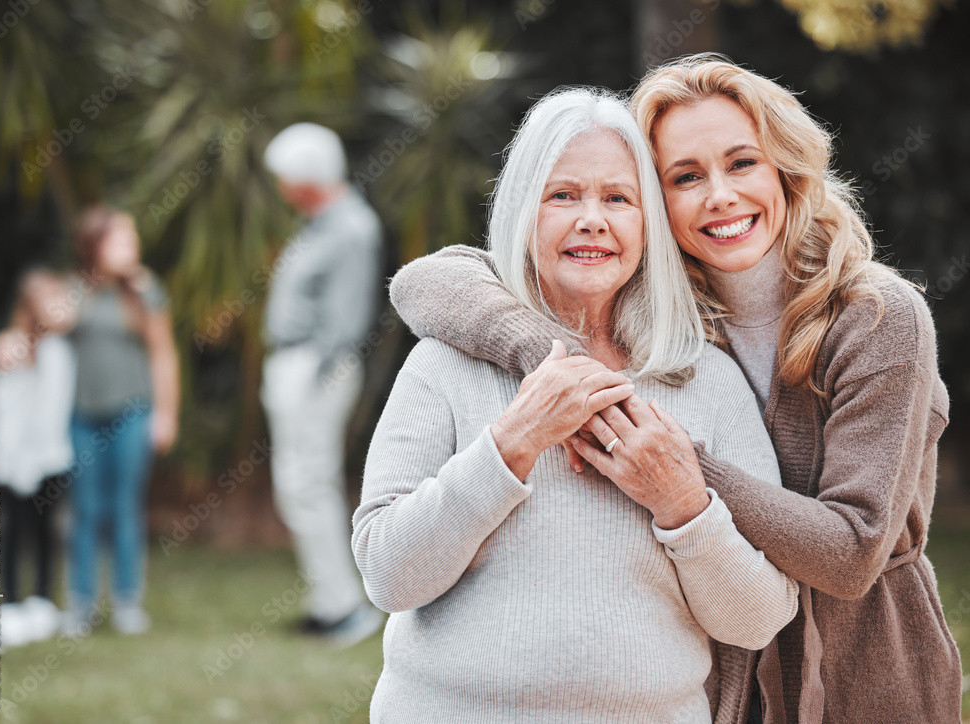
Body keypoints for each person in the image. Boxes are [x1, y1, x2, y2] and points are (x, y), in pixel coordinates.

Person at [387, 56, 963, 723]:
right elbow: (426, 281)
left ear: (786, 167)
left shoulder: (876, 317)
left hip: (862, 668)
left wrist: (675, 464)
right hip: (726, 675)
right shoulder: (668, 317)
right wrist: (560, 366)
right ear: (653, 200)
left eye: (742, 163)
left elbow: (852, 550)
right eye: (685, 177)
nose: (719, 195)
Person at [354, 87, 799, 723]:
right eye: (564, 195)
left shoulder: (708, 379)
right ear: (522, 212)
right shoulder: (444, 362)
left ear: (648, 225)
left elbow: (758, 621)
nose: (593, 219)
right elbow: (388, 576)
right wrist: (512, 444)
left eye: (618, 198)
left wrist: (681, 503)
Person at [261, 123, 384, 645]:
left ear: (305, 178)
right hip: (296, 364)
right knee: (301, 486)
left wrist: (311, 377)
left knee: (309, 483)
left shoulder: (351, 227)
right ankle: (326, 601)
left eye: (285, 176)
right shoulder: (316, 224)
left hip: (316, 368)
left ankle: (343, 609)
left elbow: (347, 318)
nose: (281, 186)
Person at [64, 206, 179, 636]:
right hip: (81, 415)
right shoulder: (74, 291)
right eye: (121, 239)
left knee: (125, 507)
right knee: (84, 509)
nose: (132, 247)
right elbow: (44, 325)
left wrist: (166, 414)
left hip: (133, 412)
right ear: (95, 245)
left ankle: (127, 600)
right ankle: (80, 602)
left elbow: (163, 356)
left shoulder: (146, 293)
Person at [0, 269, 74, 650]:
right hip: (15, 460)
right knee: (11, 531)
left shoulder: (61, 350)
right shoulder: (11, 345)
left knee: (47, 530)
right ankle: (11, 602)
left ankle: (42, 600)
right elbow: (4, 405)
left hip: (50, 457)